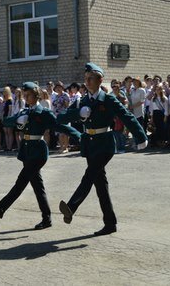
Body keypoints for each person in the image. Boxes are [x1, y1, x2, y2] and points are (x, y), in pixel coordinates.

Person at [57, 63, 148, 236]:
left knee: (89, 175)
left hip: (105, 143)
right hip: (90, 144)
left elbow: (126, 116)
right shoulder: (82, 100)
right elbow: (62, 118)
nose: (87, 81)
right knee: (100, 186)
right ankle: (110, 223)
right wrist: (78, 114)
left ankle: (71, 207)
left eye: (90, 78)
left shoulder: (108, 99)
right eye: (85, 79)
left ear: (100, 80)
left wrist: (140, 135)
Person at [0, 82, 81, 230]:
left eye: (28, 95)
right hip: (27, 151)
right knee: (38, 187)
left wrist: (79, 136)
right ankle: (46, 218)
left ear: (36, 96)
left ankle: (1, 207)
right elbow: (7, 121)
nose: (26, 97)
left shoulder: (43, 112)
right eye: (25, 95)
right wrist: (17, 120)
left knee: (21, 181)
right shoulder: (25, 112)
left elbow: (59, 126)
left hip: (38, 151)